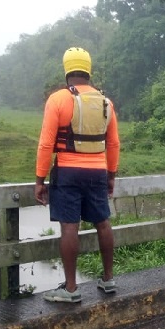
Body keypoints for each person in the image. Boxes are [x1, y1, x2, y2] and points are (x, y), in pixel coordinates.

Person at [35, 47, 121, 303]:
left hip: (68, 172)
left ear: (67, 70)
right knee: (103, 222)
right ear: (88, 70)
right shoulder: (105, 102)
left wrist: (40, 180)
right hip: (98, 171)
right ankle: (108, 279)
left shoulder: (58, 100)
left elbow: (46, 144)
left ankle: (71, 289)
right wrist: (111, 175)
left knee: (69, 226)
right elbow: (113, 143)